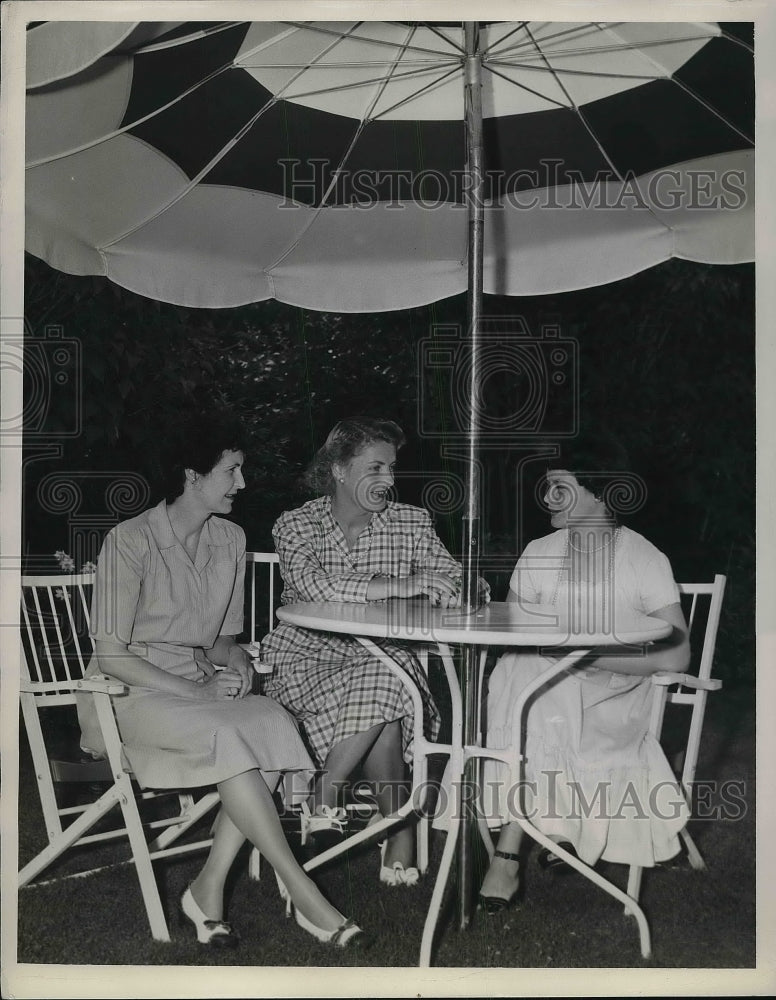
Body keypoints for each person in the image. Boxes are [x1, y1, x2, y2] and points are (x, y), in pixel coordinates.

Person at [76, 415, 367, 949]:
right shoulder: (130, 540)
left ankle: (207, 886)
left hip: (196, 687)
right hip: (125, 695)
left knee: (270, 719)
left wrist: (237, 662)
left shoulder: (229, 539)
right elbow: (112, 654)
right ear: (192, 475)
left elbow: (219, 641)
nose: (242, 482)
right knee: (234, 734)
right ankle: (302, 889)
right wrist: (198, 691)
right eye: (231, 470)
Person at [261, 417, 482, 884]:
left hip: (380, 668)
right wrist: (400, 585)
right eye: (376, 468)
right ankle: (399, 830)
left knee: (385, 670)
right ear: (339, 469)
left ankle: (325, 795)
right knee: (391, 680)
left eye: (392, 468)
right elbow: (312, 586)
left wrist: (464, 587)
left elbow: (457, 578)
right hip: (304, 664)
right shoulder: (297, 523)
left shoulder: (410, 523)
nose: (389, 479)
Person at [476, 434, 691, 913]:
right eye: (547, 487)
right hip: (541, 689)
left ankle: (509, 854)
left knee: (527, 674)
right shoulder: (539, 551)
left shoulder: (643, 558)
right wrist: (555, 659)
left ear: (600, 493)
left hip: (615, 695)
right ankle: (554, 830)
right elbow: (512, 631)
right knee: (521, 667)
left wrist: (581, 658)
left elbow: (677, 657)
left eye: (561, 488)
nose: (548, 498)